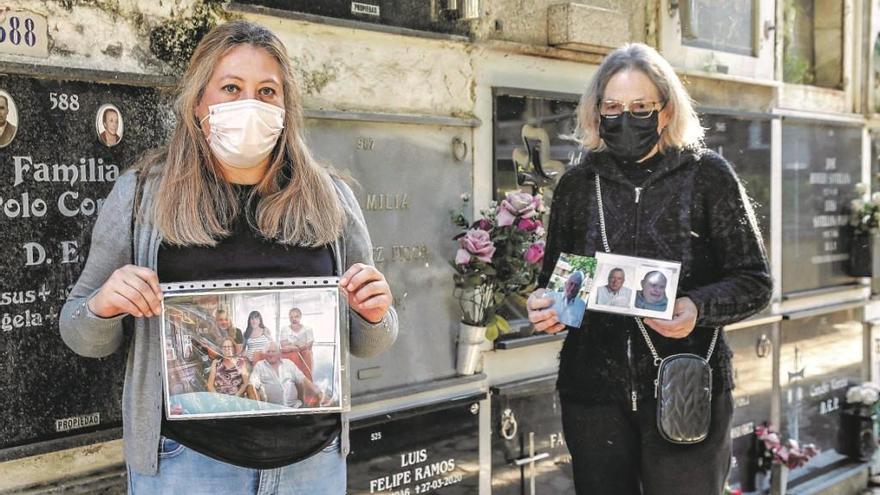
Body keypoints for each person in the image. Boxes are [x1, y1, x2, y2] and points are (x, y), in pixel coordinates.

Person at [59, 21, 398, 494]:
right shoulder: (141, 198)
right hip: (189, 465)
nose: (250, 104)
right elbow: (79, 332)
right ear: (199, 102)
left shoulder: (330, 197)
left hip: (312, 466)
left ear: (285, 106)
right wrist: (104, 306)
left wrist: (378, 313)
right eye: (231, 88)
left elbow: (369, 340)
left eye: (266, 91)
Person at [526, 43, 771, 495]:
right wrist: (545, 306)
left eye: (640, 107)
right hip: (592, 396)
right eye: (613, 107)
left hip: (684, 386)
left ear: (666, 109)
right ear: (596, 111)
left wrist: (696, 308)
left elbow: (754, 282)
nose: (625, 118)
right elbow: (559, 284)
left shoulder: (708, 175)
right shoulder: (579, 185)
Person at [250, 342, 328, 408]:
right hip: (272, 410)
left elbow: (303, 380)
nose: (270, 354)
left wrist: (319, 393)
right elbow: (252, 386)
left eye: (273, 351)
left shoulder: (288, 363)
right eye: (268, 351)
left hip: (295, 407)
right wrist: (258, 408)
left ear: (279, 353)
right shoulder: (260, 365)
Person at [279, 307, 314, 379]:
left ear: (300, 317)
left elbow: (309, 345)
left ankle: (307, 382)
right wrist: (297, 343)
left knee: (307, 353)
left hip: (304, 353)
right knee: (289, 354)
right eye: (291, 317)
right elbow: (283, 344)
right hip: (289, 352)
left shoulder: (308, 329)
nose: (293, 319)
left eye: (296, 316)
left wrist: (292, 345)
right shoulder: (285, 329)